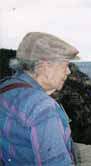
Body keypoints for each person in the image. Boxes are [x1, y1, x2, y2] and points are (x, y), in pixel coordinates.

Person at [0, 32, 80, 165]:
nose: (68, 72)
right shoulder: (42, 107)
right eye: (65, 65)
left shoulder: (6, 87)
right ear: (44, 66)